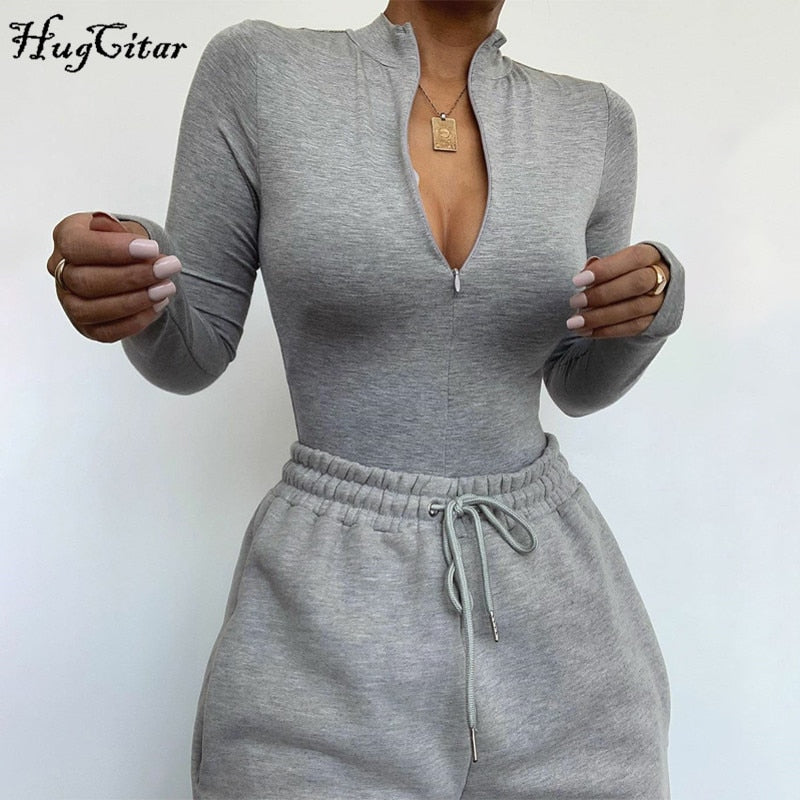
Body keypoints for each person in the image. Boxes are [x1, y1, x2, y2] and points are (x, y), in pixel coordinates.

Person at [47, 1, 684, 797]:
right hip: (325, 620)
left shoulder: (595, 122)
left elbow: (576, 382)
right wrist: (136, 280)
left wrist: (653, 307)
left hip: (557, 614)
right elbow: (193, 352)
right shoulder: (261, 72)